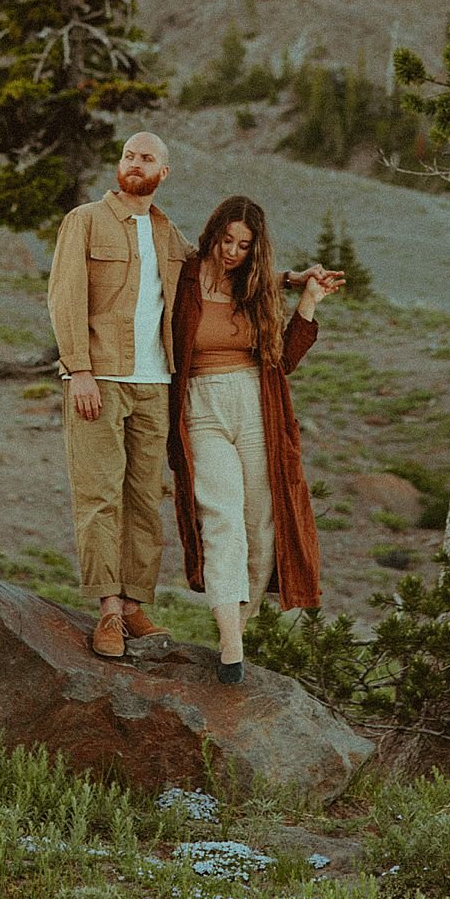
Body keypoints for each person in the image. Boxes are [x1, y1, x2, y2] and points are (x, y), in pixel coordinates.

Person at [167, 197, 342, 682]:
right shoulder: (184, 276)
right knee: (223, 518)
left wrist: (305, 299)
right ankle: (229, 645)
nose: (233, 252)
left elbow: (283, 360)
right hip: (200, 407)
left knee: (262, 524)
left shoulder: (256, 287)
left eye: (244, 245)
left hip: (255, 405)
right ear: (213, 233)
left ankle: (234, 638)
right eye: (227, 240)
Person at [47, 130, 191, 660]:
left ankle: (134, 606)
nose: (134, 164)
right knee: (99, 496)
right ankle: (107, 610)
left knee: (145, 501)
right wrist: (79, 370)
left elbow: (219, 276)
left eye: (146, 158)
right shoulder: (84, 221)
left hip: (157, 385)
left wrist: (289, 278)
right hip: (100, 379)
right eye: (129, 156)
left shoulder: (169, 234)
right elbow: (65, 298)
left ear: (163, 172)